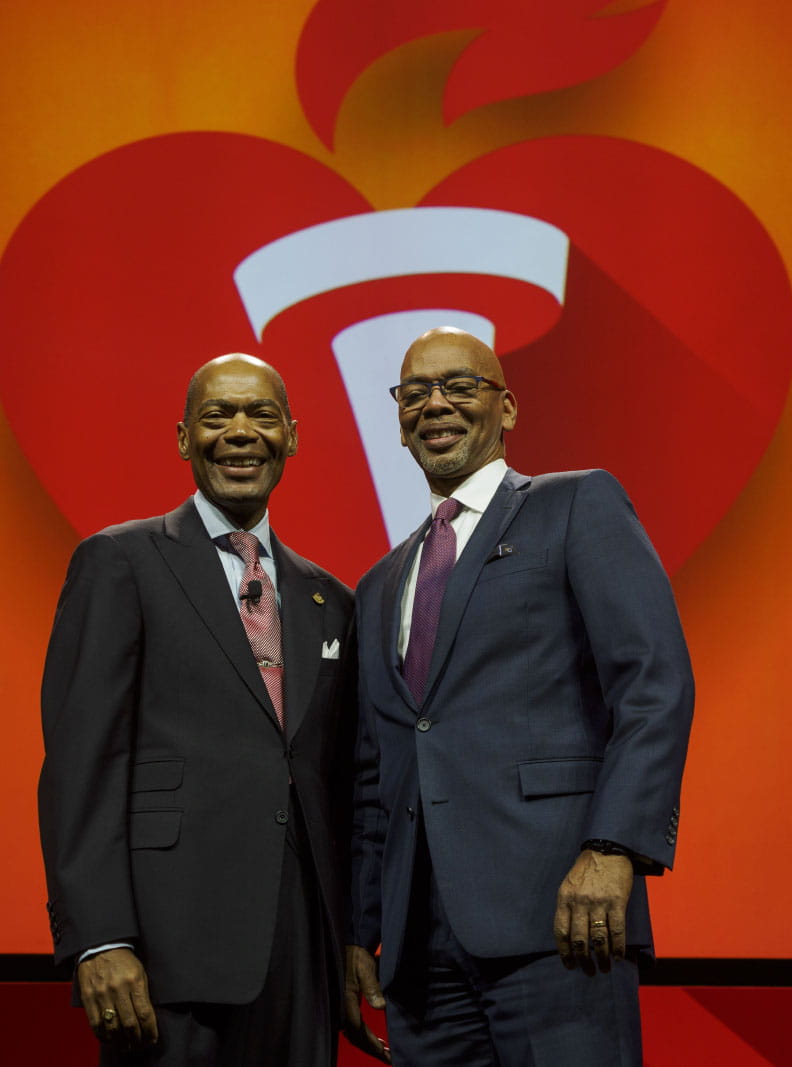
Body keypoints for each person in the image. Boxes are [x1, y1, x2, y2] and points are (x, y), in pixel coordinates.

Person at [344, 327, 694, 1066]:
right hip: (419, 959)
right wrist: (360, 928)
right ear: (400, 419)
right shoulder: (378, 586)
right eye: (414, 391)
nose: (435, 403)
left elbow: (653, 682)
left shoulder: (575, 505)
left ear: (506, 408)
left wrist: (614, 847)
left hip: (560, 920)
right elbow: (379, 772)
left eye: (459, 385)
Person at [38, 354, 355, 1066]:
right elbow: (81, 765)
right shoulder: (119, 562)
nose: (240, 432)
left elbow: (336, 778)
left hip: (301, 951)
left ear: (293, 436)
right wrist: (101, 936)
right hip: (167, 951)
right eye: (218, 416)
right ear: (184, 438)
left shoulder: (327, 597)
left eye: (261, 415)